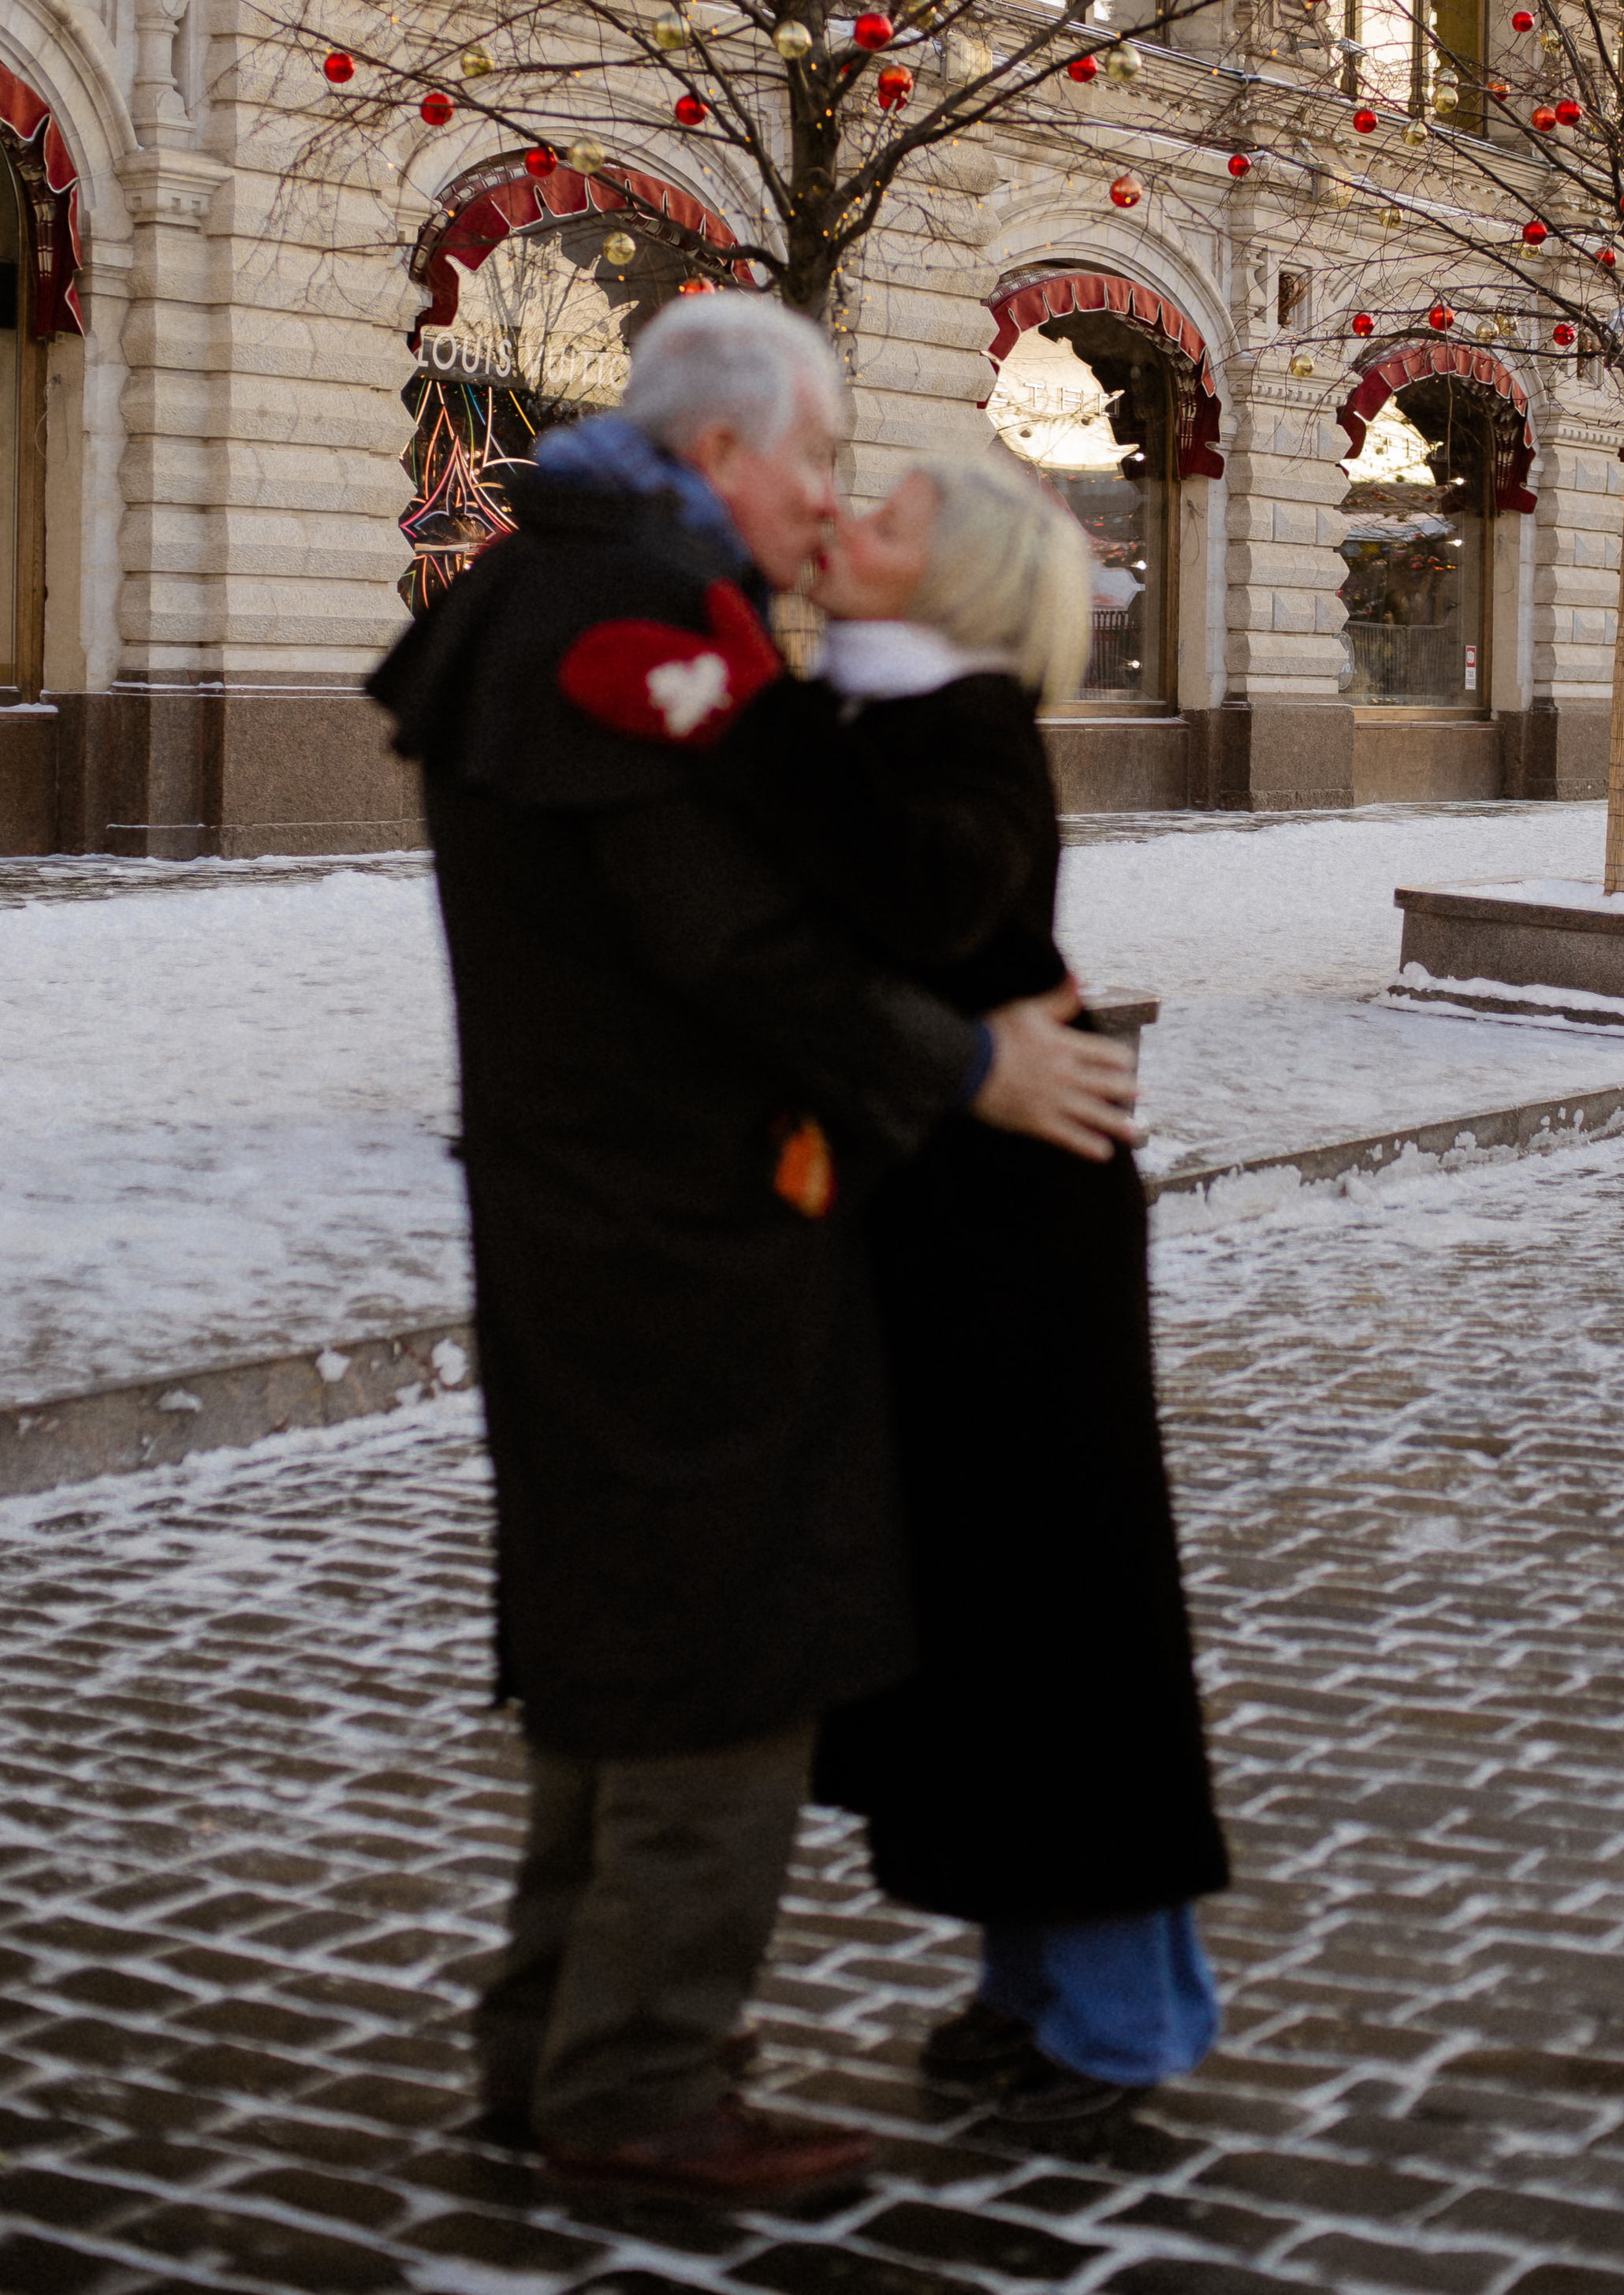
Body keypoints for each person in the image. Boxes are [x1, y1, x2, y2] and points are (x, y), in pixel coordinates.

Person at [367, 298, 1139, 2211]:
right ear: (722, 455)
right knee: (719, 1653)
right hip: (676, 1236)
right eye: (813, 458)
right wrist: (968, 1065)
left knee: (620, 1641)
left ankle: (552, 2049)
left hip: (610, 1218)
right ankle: (635, 2082)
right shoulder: (619, 617)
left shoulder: (579, 593)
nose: (820, 499)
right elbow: (724, 944)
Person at [557, 449, 1229, 2136]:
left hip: (1019, 1245)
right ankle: (1035, 1992)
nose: (846, 521)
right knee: (973, 1627)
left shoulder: (966, 719)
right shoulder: (870, 717)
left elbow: (928, 894)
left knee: (1059, 1624)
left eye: (890, 519)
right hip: (937, 1224)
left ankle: (1118, 2024)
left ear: (962, 584)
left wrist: (743, 712)